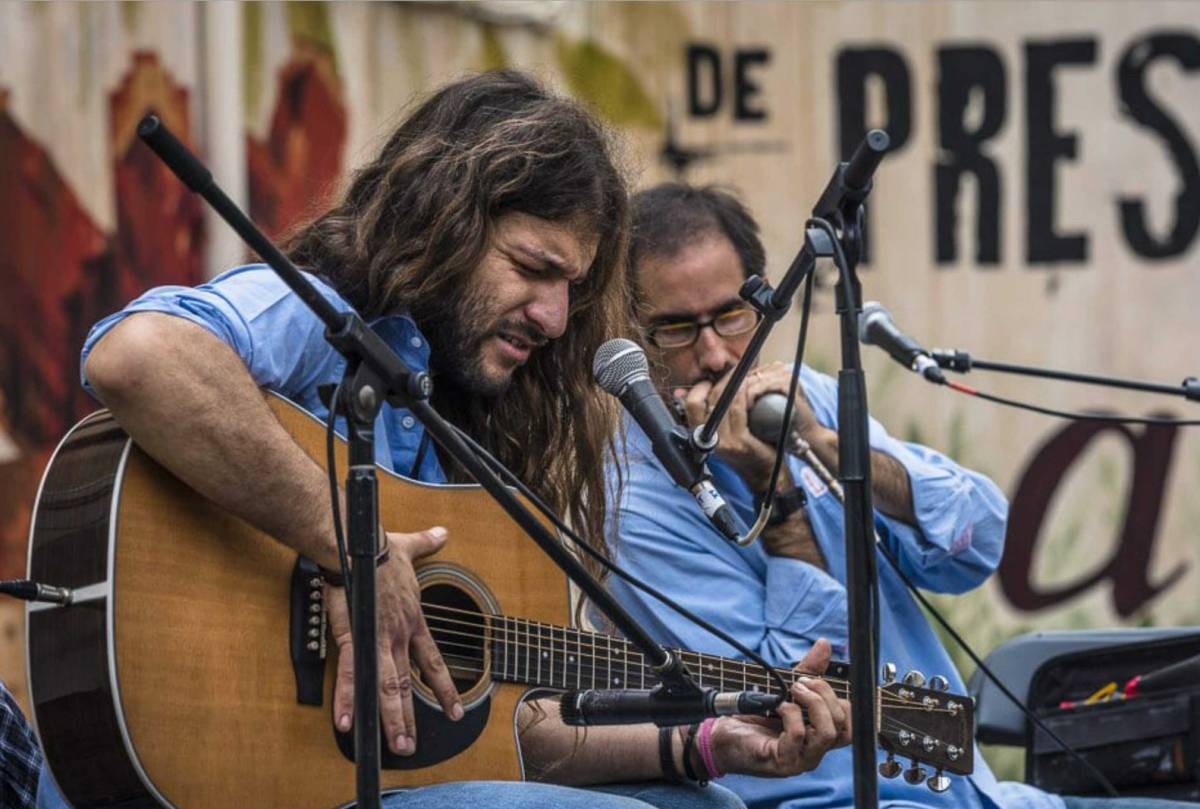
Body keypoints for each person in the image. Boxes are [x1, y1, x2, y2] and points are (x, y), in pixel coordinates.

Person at [69, 73, 850, 808]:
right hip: (228, 764)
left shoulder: (489, 411)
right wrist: (352, 543)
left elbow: (513, 734)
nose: (551, 317)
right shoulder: (330, 307)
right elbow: (140, 356)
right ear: (444, 219)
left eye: (571, 289)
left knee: (702, 799)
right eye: (531, 267)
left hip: (382, 780)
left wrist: (708, 742)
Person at [606, 182, 1191, 809]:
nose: (716, 354)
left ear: (764, 303)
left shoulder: (811, 403)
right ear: (629, 333)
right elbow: (797, 693)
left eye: (730, 316)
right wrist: (775, 495)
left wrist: (825, 444)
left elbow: (976, 543)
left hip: (978, 796)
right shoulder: (631, 504)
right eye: (675, 330)